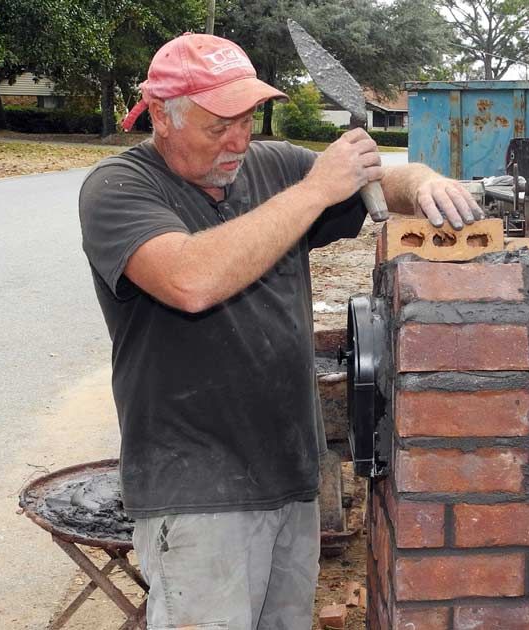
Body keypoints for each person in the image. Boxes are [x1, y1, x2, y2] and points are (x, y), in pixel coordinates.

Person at [79, 32, 483, 630]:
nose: (238, 140)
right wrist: (318, 188)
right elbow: (191, 280)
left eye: (246, 119)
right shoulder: (118, 189)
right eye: (219, 126)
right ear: (163, 115)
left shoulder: (272, 167)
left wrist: (419, 183)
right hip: (194, 491)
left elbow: (379, 176)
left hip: (292, 474)